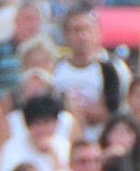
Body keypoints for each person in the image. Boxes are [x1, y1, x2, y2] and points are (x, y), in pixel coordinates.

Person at [54, 9, 128, 142]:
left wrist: (73, 110)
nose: (82, 37)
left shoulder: (109, 70)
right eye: (76, 31)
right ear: (66, 35)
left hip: (97, 141)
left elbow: (111, 111)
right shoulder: (56, 69)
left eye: (88, 30)